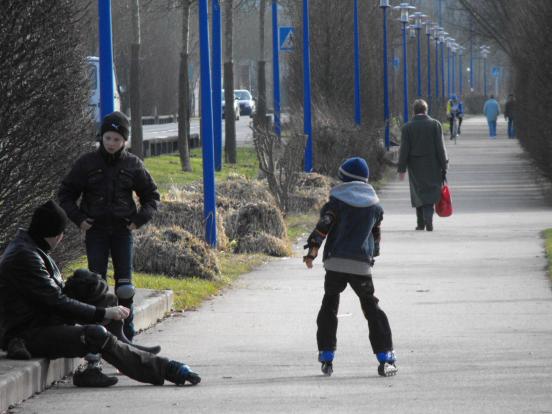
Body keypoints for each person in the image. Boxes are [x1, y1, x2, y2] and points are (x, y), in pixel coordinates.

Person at [0, 201, 201, 387]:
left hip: (41, 317)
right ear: (52, 233)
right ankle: (164, 369)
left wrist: (94, 299)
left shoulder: (31, 247)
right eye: (61, 233)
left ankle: (121, 344)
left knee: (90, 284)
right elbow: (56, 301)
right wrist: (103, 314)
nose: (62, 238)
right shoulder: (25, 257)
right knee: (95, 334)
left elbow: (50, 297)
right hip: (26, 333)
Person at [59, 111, 160, 341]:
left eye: (117, 139)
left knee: (125, 287)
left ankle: (126, 335)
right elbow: (65, 193)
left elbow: (152, 196)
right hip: (96, 231)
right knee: (97, 285)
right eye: (108, 138)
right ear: (101, 138)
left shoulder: (133, 164)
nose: (112, 143)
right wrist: (79, 219)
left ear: (125, 141)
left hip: (122, 231)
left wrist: (138, 220)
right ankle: (99, 335)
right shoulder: (86, 163)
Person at [303, 157, 397, 378]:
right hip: (360, 265)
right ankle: (386, 357)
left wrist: (312, 251)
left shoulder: (335, 203)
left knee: (329, 304)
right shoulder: (374, 206)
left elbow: (323, 227)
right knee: (371, 308)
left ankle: (327, 355)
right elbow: (375, 236)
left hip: (335, 263)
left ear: (343, 179)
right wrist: (372, 255)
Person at [398, 99, 448, 231]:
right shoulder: (435, 125)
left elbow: (404, 150)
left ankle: (421, 223)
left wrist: (401, 169)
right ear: (426, 110)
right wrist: (444, 164)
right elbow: (440, 147)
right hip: (433, 164)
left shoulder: (407, 127)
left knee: (418, 192)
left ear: (413, 111)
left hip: (415, 166)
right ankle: (429, 219)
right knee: (431, 192)